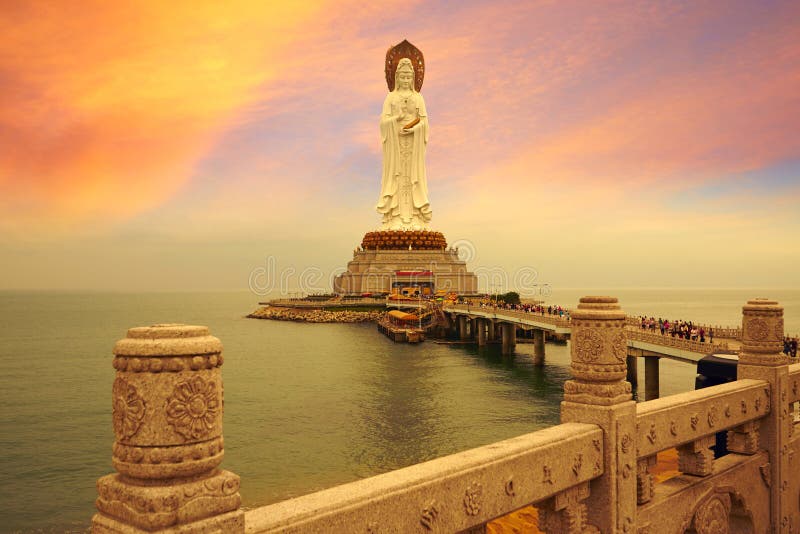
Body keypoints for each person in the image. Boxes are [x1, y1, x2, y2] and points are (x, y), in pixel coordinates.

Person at [376, 58, 431, 229]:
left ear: (413, 79)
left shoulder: (418, 97)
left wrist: (415, 129)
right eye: (403, 77)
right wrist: (396, 119)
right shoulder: (391, 97)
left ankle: (415, 216)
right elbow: (383, 122)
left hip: (413, 145)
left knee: (413, 177)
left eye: (409, 77)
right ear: (396, 78)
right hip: (396, 144)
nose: (406, 81)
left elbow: (424, 122)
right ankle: (395, 216)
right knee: (396, 177)